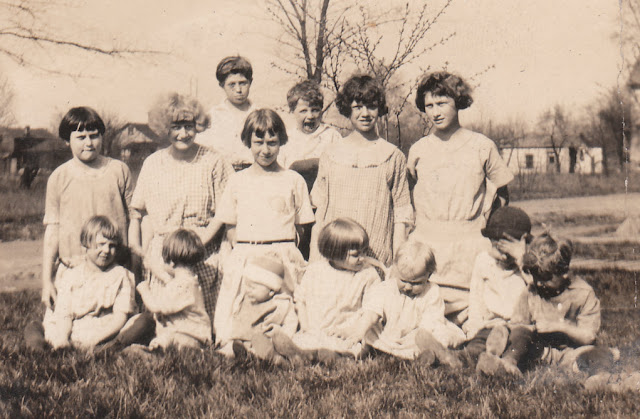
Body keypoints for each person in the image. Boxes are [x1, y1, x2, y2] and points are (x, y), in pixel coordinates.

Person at [407, 71, 514, 326]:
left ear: (458, 102)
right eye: (429, 105)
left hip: (469, 244)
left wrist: (489, 228)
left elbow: (502, 193)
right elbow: (409, 192)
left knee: (476, 311)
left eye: (442, 103)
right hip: (428, 240)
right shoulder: (419, 149)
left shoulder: (481, 145)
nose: (435, 112)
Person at [213, 108, 315, 352]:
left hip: (282, 253)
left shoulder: (293, 180)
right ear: (248, 141)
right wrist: (246, 256)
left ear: (281, 142)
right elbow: (231, 227)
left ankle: (282, 344)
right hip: (248, 253)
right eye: (258, 142)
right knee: (241, 305)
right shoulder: (238, 181)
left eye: (272, 143)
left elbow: (303, 227)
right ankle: (239, 345)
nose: (265, 150)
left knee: (286, 306)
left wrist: (286, 254)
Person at [129, 93, 233, 325]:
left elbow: (224, 213)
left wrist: (198, 244)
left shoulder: (214, 161)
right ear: (165, 128)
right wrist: (146, 254)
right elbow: (139, 214)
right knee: (163, 320)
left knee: (205, 321)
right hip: (164, 256)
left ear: (198, 126)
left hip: (203, 250)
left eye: (189, 126)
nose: (183, 133)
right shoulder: (153, 163)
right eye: (176, 127)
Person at [478, 233, 616, 376]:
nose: (538, 283)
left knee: (596, 355)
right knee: (518, 335)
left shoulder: (582, 294)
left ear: (563, 272)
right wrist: (527, 329)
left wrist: (560, 326)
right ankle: (507, 364)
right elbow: (518, 327)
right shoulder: (531, 292)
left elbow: (588, 336)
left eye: (544, 278)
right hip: (539, 352)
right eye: (534, 276)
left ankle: (599, 377)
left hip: (571, 352)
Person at [310, 75, 413, 266]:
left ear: (379, 109)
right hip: (336, 255)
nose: (365, 113)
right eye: (358, 107)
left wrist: (398, 264)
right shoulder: (331, 154)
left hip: (376, 256)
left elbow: (401, 215)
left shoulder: (393, 156)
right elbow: (321, 213)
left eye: (371, 106)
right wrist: (315, 261)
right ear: (348, 108)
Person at [41, 107, 133, 311]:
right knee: (60, 324)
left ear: (102, 136)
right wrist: (47, 281)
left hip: (113, 267)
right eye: (81, 137)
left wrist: (135, 267)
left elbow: (134, 219)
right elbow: (53, 230)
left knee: (124, 320)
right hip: (74, 267)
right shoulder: (59, 177)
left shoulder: (118, 171)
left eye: (94, 136)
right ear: (67, 140)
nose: (89, 143)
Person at [337, 240, 465, 366]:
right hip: (387, 335)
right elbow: (371, 314)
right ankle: (361, 351)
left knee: (439, 334)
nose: (408, 287)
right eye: (403, 281)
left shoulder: (431, 292)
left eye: (416, 283)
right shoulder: (385, 288)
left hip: (415, 335)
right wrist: (359, 332)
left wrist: (424, 337)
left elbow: (430, 323)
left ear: (429, 275)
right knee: (368, 329)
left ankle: (428, 355)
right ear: (395, 270)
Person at [26, 216, 136, 350]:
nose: (106, 250)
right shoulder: (71, 274)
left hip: (102, 329)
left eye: (112, 246)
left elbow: (120, 317)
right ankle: (43, 348)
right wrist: (63, 337)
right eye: (101, 244)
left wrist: (94, 339)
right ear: (85, 246)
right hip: (69, 327)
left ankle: (102, 348)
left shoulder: (120, 275)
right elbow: (64, 313)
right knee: (34, 327)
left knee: (141, 322)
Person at [291, 218, 381, 359]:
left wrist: (356, 331)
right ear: (335, 252)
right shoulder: (316, 270)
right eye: (356, 255)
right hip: (316, 330)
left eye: (364, 252)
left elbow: (373, 308)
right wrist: (305, 326)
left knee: (351, 348)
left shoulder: (367, 274)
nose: (363, 258)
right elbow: (301, 299)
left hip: (347, 331)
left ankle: (333, 357)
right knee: (303, 342)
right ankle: (291, 355)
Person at [464, 206, 532, 364]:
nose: (503, 256)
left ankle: (507, 364)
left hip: (518, 326)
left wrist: (521, 260)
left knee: (519, 343)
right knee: (477, 343)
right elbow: (476, 299)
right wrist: (474, 327)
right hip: (490, 325)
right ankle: (460, 357)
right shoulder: (483, 261)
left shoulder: (526, 268)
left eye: (509, 252)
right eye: (498, 248)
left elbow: (536, 289)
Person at [136, 229, 212, 349]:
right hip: (193, 336)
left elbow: (156, 307)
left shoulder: (181, 284)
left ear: (171, 262)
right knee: (168, 337)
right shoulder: (189, 281)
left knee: (168, 339)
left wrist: (144, 290)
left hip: (189, 337)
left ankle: (155, 350)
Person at [228, 255, 298, 364]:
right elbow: (235, 318)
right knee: (236, 344)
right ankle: (247, 353)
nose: (248, 290)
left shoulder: (280, 303)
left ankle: (273, 358)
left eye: (253, 287)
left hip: (269, 340)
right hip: (246, 339)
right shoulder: (245, 300)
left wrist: (282, 333)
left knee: (264, 344)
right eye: (247, 286)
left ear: (271, 291)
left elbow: (291, 323)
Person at [279, 80, 342, 191]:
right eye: (303, 111)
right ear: (292, 111)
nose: (310, 116)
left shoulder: (331, 136)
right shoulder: (286, 140)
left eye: (315, 110)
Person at [197, 56, 256, 170]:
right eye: (232, 84)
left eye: (243, 83)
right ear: (222, 85)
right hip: (222, 174)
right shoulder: (212, 117)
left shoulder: (259, 115)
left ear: (250, 82)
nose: (238, 90)